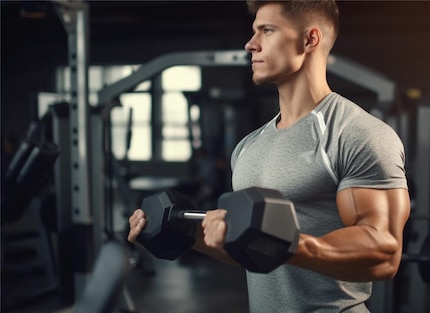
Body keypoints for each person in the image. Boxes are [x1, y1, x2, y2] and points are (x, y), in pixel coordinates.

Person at [128, 0, 410, 311]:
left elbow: (384, 253)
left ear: (309, 40)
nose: (250, 44)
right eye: (254, 32)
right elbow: (250, 250)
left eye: (267, 31)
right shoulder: (248, 147)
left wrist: (283, 241)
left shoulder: (357, 134)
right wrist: (187, 232)